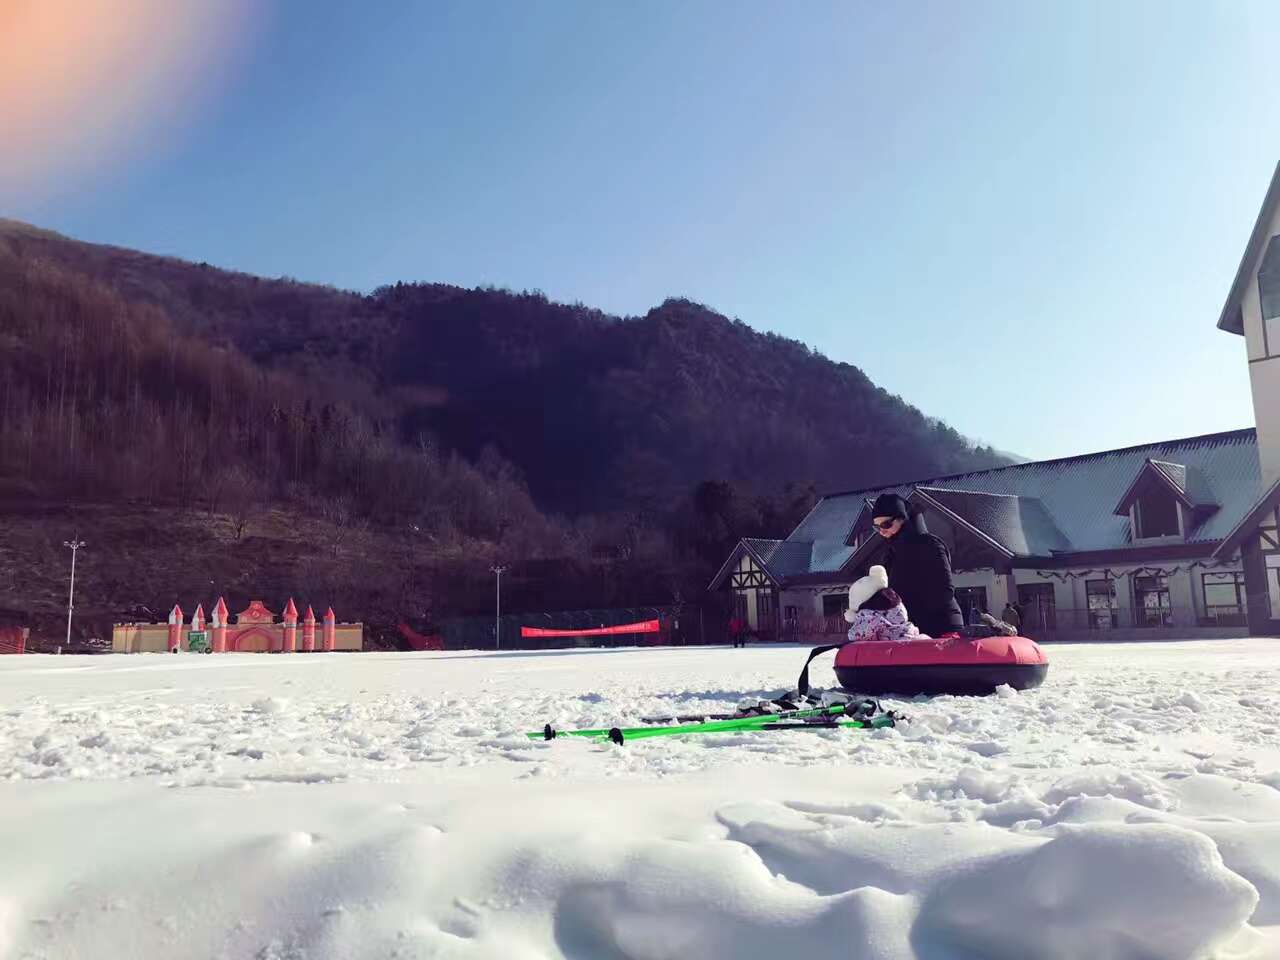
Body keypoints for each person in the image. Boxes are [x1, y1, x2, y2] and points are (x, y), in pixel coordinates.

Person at [869, 493, 964, 638]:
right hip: (912, 629)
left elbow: (944, 590)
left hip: (942, 626)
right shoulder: (891, 553)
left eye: (886, 524)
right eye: (877, 527)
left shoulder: (930, 544)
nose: (882, 531)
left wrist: (913, 615)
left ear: (901, 518)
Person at [843, 564, 927, 643]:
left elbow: (857, 635)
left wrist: (856, 618)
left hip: (893, 647)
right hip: (910, 636)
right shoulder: (895, 605)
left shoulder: (868, 615)